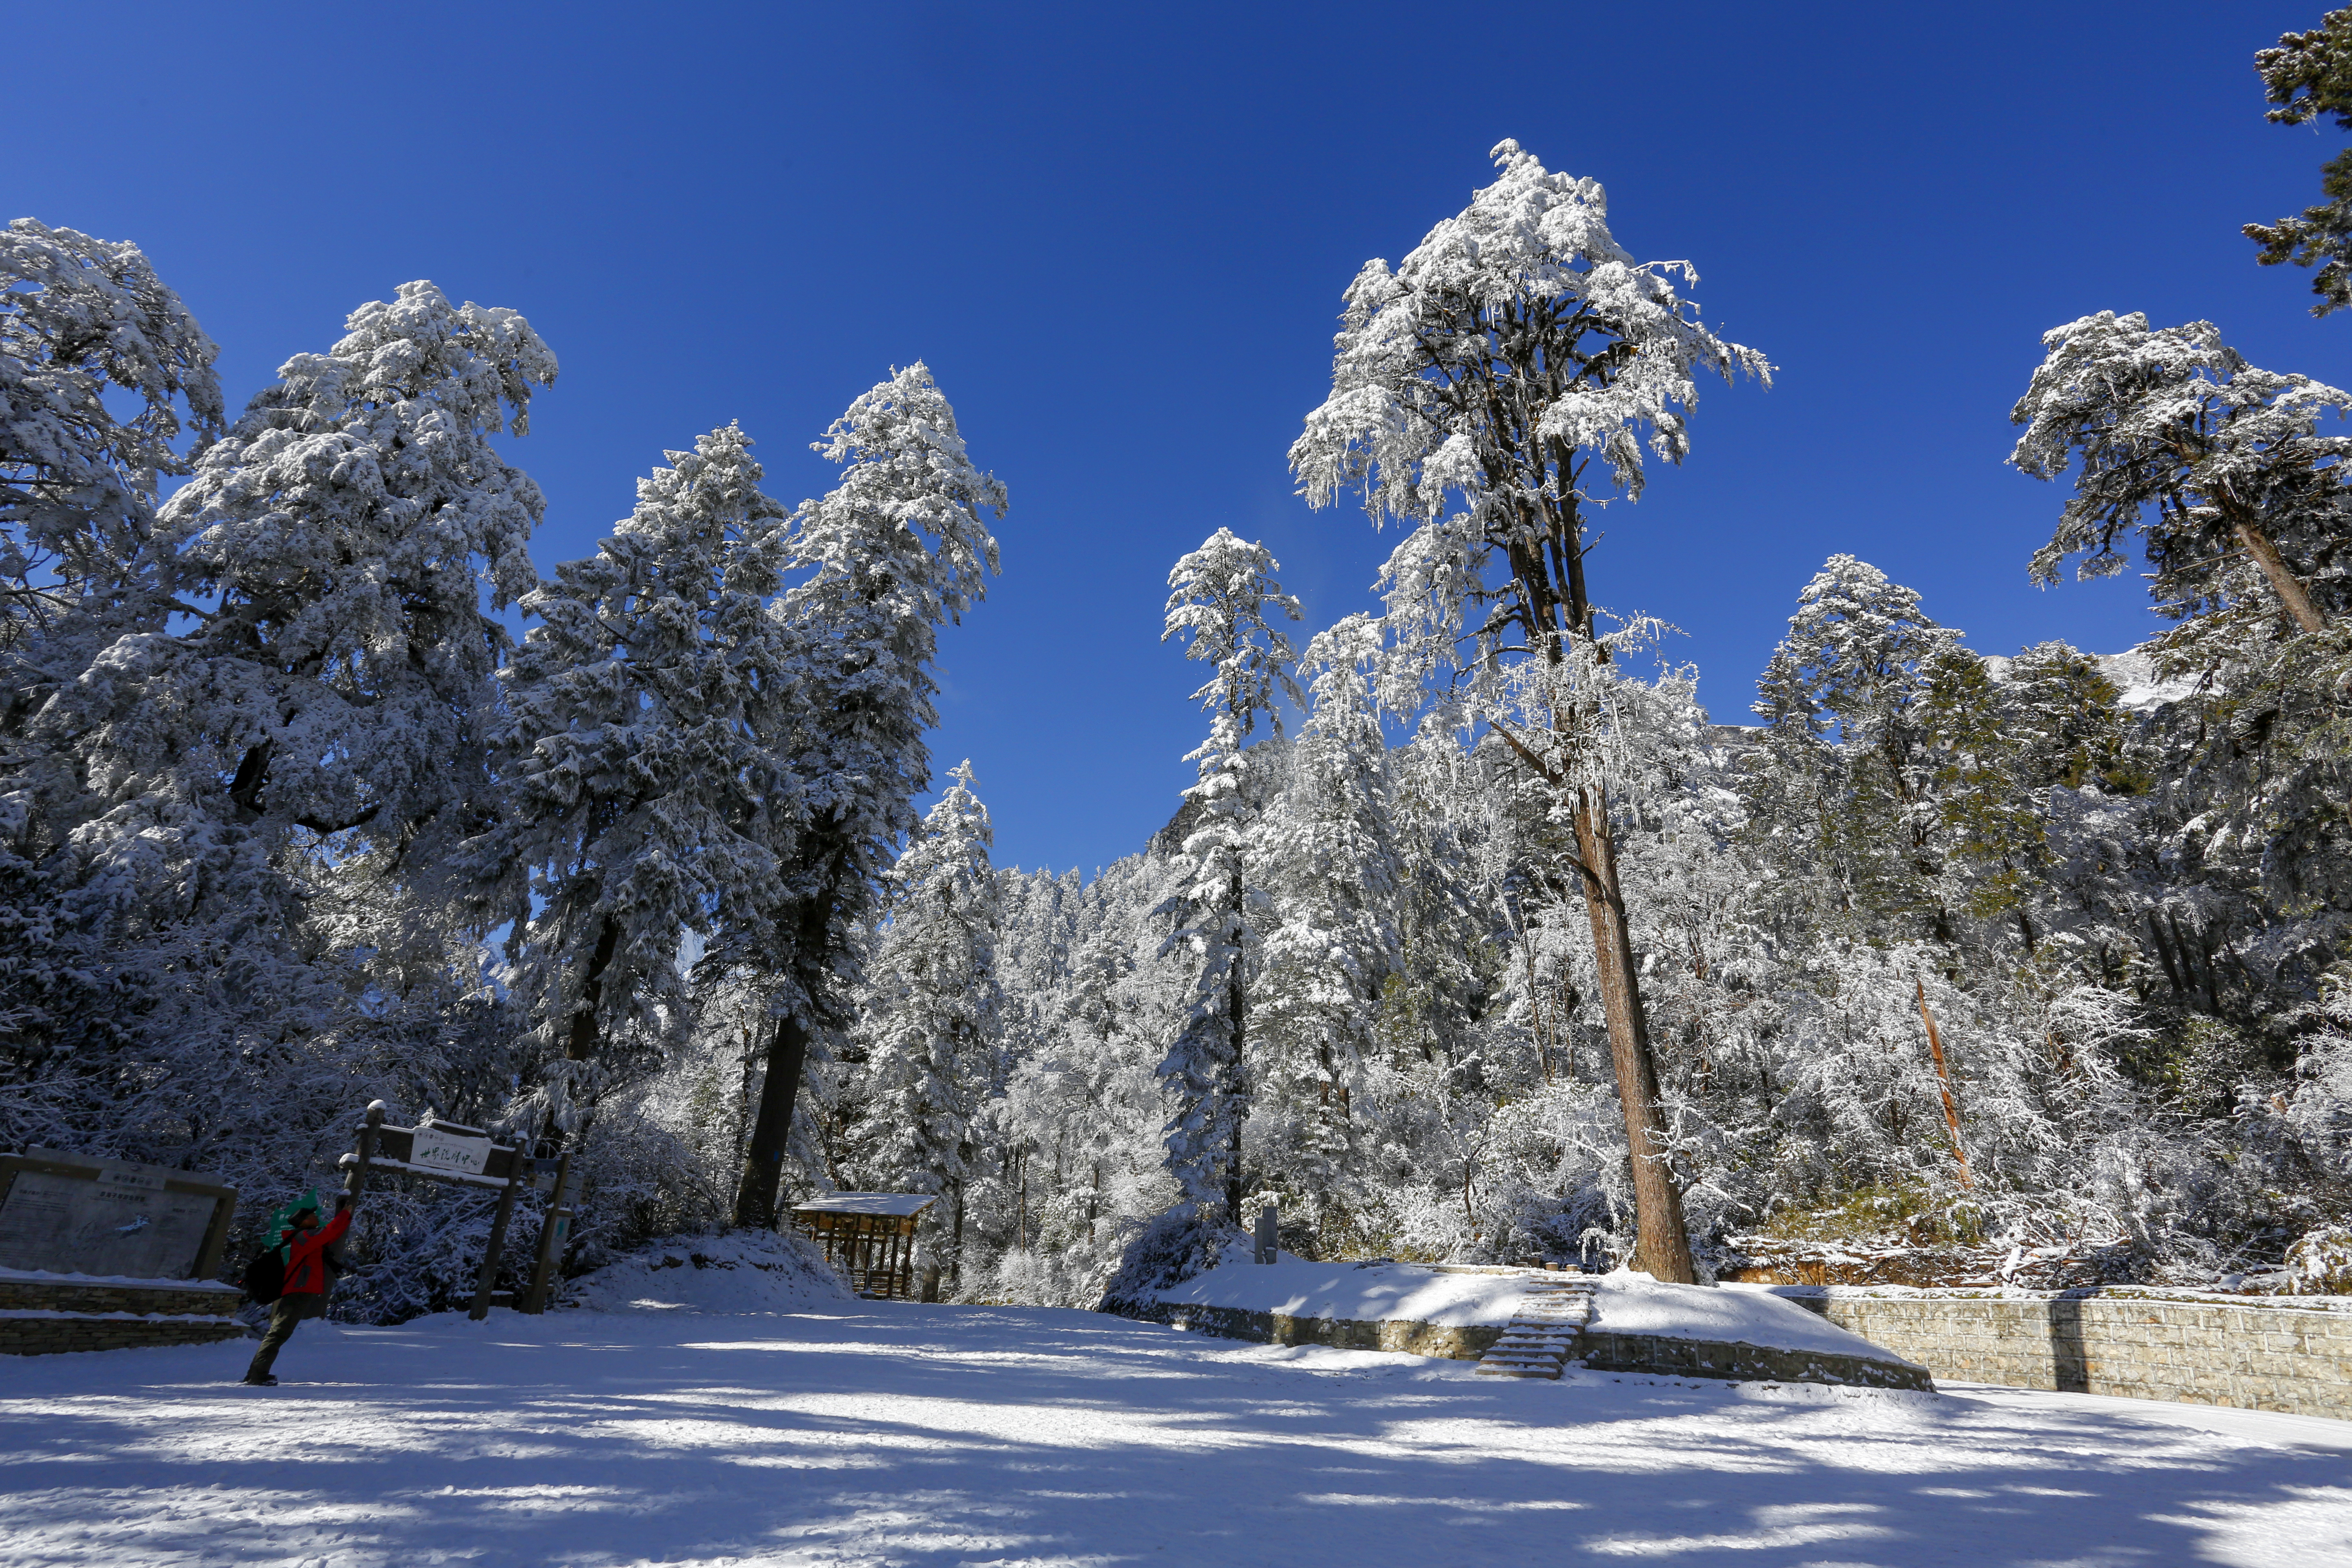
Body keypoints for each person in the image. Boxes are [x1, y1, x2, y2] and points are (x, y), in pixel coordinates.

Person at [241, 1189, 354, 1387]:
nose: (315, 1216)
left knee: (278, 1333)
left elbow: (329, 1235)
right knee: (279, 1333)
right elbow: (330, 1232)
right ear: (304, 1222)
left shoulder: (303, 1237)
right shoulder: (304, 1237)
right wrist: (346, 1214)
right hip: (299, 1290)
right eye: (311, 1215)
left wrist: (343, 1213)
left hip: (299, 1289)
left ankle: (256, 1373)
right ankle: (258, 1375)